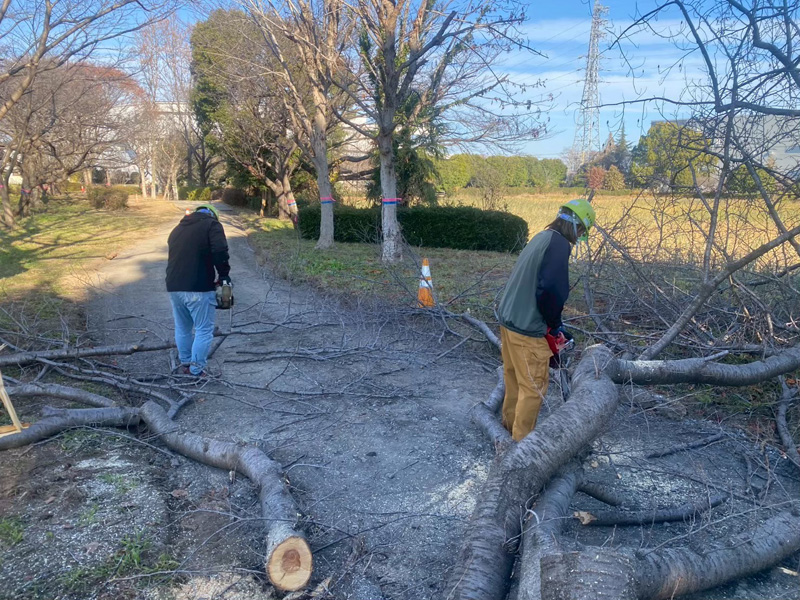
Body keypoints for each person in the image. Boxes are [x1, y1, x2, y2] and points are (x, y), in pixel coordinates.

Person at [496, 198, 596, 441]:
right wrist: (553, 324)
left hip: (509, 321)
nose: (579, 237)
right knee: (533, 388)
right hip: (528, 329)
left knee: (514, 380)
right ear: (577, 227)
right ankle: (521, 449)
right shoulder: (560, 244)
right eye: (581, 231)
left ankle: (507, 430)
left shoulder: (542, 237)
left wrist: (555, 324)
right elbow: (552, 289)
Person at [166, 204, 231, 377]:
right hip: (198, 287)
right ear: (212, 215)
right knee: (203, 329)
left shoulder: (177, 229)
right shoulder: (212, 225)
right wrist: (224, 275)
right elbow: (220, 250)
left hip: (174, 286)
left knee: (183, 328)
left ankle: (186, 364)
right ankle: (196, 370)